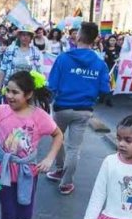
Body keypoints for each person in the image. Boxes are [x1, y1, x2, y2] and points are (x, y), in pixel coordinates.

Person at [0, 71, 63, 219]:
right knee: (8, 213)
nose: (10, 96)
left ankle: (18, 218)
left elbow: (58, 134)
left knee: (24, 215)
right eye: (8, 91)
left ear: (29, 94)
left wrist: (49, 158)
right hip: (2, 170)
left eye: (15, 92)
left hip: (27, 172)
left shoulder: (39, 116)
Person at [46, 22, 111, 195]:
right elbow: (105, 89)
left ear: (79, 36)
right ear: (95, 39)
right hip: (84, 110)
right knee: (74, 148)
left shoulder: (63, 58)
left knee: (57, 139)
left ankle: (60, 169)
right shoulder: (100, 63)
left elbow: (51, 84)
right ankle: (66, 183)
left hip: (61, 107)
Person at [0, 26, 43, 95]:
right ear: (19, 37)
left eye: (28, 35)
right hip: (11, 86)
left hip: (28, 88)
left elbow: (39, 70)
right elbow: (3, 69)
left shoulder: (35, 52)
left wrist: (42, 85)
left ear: (31, 38)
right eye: (23, 35)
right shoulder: (10, 50)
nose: (25, 37)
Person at [103, 35, 121, 107]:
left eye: (114, 40)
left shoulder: (119, 48)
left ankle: (109, 99)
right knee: (106, 82)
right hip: (107, 68)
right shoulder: (106, 49)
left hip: (115, 68)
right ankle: (103, 96)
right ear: (108, 41)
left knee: (112, 84)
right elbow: (104, 58)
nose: (112, 42)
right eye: (111, 40)